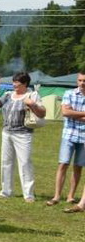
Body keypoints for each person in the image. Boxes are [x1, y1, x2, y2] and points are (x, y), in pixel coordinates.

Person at [0, 73, 47, 203]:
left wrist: (32, 104)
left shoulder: (32, 95)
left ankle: (28, 194)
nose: (14, 85)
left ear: (25, 84)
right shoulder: (8, 95)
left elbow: (43, 113)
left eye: (18, 83)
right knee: (6, 162)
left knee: (25, 163)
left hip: (24, 134)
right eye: (14, 82)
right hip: (7, 132)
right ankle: (6, 191)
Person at [46, 72, 85, 206]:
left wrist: (74, 113)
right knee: (63, 164)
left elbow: (70, 113)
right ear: (77, 81)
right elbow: (65, 112)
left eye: (84, 80)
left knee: (78, 167)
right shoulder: (69, 93)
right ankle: (56, 196)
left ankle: (71, 196)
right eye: (80, 80)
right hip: (69, 134)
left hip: (84, 137)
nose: (82, 83)